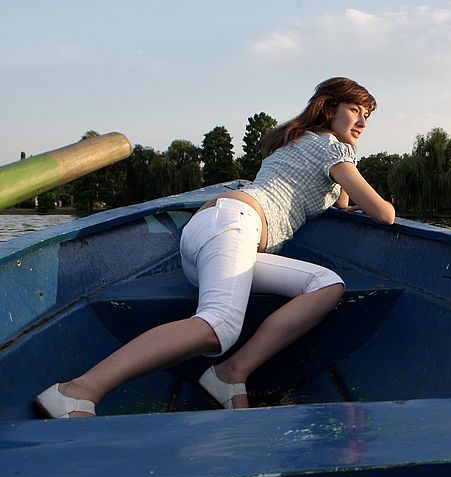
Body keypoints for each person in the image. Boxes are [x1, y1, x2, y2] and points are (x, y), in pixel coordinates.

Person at [35, 77, 395, 418]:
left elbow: (341, 202)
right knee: (218, 324)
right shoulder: (328, 147)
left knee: (327, 285)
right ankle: (78, 390)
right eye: (355, 110)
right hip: (234, 225)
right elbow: (384, 214)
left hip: (221, 235)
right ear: (329, 108)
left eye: (368, 115)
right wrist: (350, 158)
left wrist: (349, 153)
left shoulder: (306, 144)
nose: (362, 120)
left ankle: (231, 374)